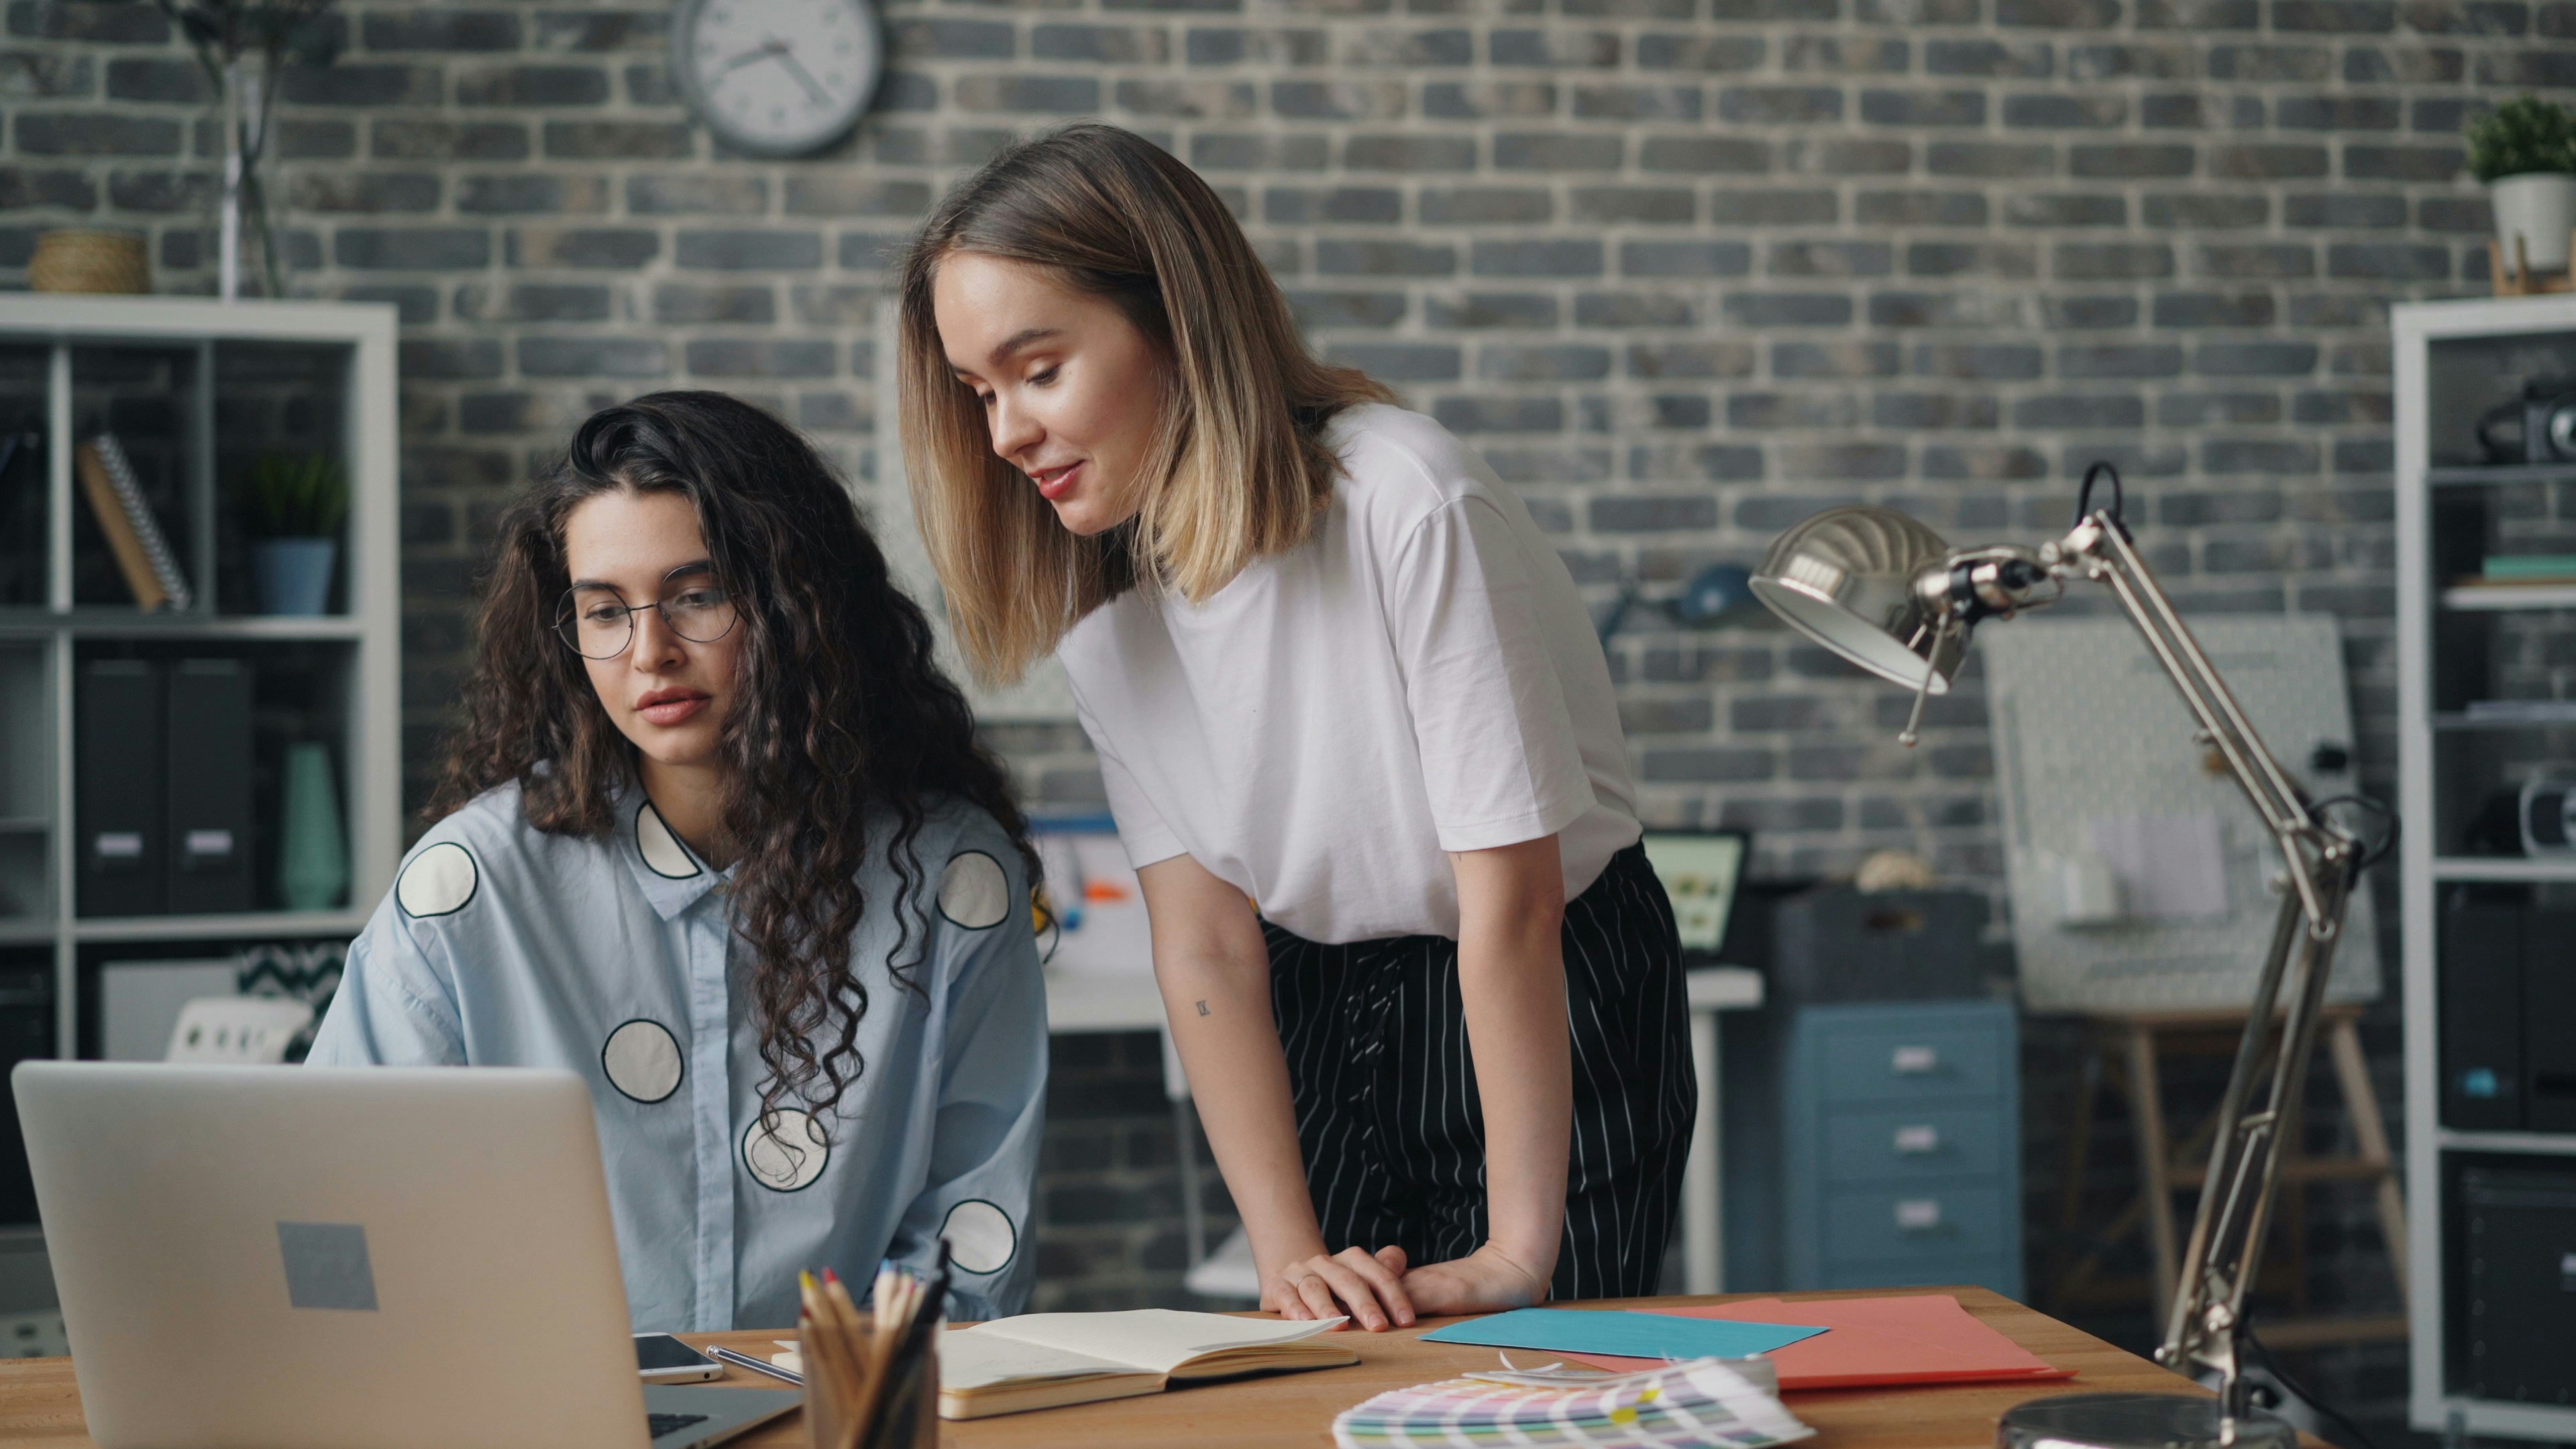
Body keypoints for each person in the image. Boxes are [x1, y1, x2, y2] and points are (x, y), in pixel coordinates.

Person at [897, 124, 1690, 1331]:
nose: (1003, 434)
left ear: (1176, 319)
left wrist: (1519, 1252)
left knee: (1524, 1387)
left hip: (1545, 971)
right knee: (1331, 1368)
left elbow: (1511, 904)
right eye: (979, 392)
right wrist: (1287, 1257)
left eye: (1038, 370)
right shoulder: (1112, 615)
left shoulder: (1407, 500)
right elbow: (1207, 950)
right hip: (1320, 995)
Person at [308, 392, 1046, 1331]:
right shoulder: (473, 887)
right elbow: (351, 1197)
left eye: (698, 596)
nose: (649, 653)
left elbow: (971, 1229)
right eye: (603, 611)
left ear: (795, 603)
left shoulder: (948, 880)